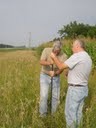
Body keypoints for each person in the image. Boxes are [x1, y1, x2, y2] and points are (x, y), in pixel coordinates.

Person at [50, 39, 92, 128]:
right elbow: (80, 70)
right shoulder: (87, 57)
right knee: (78, 113)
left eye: (72, 46)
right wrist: (70, 72)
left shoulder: (77, 56)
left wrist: (54, 57)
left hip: (75, 90)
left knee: (70, 114)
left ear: (77, 46)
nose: (71, 48)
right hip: (83, 88)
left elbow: (61, 66)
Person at [39, 40, 67, 116]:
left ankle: (54, 114)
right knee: (44, 95)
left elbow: (61, 69)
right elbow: (41, 62)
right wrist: (50, 63)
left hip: (56, 77)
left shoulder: (64, 55)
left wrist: (55, 73)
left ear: (60, 49)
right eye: (54, 51)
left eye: (57, 51)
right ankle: (42, 115)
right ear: (52, 48)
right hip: (44, 75)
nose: (56, 53)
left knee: (55, 96)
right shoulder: (46, 50)